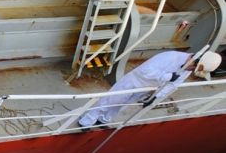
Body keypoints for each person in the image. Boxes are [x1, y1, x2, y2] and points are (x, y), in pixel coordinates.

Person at [78, 50, 222, 128]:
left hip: (146, 88)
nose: (191, 71)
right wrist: (167, 76)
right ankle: (87, 120)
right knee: (111, 100)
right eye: (193, 68)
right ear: (194, 60)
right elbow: (146, 71)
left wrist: (155, 98)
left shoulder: (187, 69)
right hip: (134, 81)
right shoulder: (170, 57)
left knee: (122, 104)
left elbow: (173, 84)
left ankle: (103, 120)